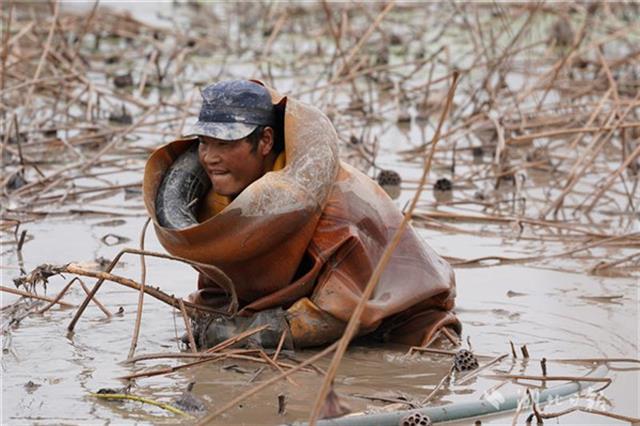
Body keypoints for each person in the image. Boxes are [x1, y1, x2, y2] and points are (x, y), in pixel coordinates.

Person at [143, 80, 460, 349]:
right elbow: (220, 291)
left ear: (265, 141)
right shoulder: (220, 200)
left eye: (225, 143)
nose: (210, 157)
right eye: (203, 142)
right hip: (301, 317)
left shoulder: (335, 205)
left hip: (396, 325)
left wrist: (239, 334)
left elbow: (340, 313)